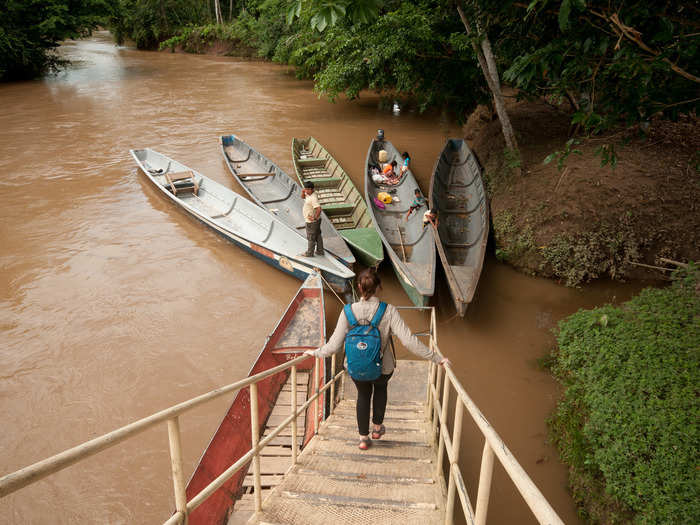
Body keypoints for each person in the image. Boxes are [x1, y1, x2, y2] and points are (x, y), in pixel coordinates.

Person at [305, 269, 449, 450]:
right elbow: (409, 341)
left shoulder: (347, 311)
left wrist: (315, 353)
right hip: (383, 367)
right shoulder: (388, 311)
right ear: (379, 287)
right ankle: (377, 428)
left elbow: (333, 346)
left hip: (356, 367)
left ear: (358, 287)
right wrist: (437, 358)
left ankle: (363, 439)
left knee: (363, 396)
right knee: (380, 389)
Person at [301, 181, 323, 257]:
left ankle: (310, 253)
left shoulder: (313, 198)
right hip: (316, 221)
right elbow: (303, 197)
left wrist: (314, 218)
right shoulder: (308, 193)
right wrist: (303, 192)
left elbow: (319, 209)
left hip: (312, 222)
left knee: (311, 237)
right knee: (318, 235)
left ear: (312, 189)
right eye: (305, 189)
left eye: (308, 189)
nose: (306, 191)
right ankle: (320, 251)